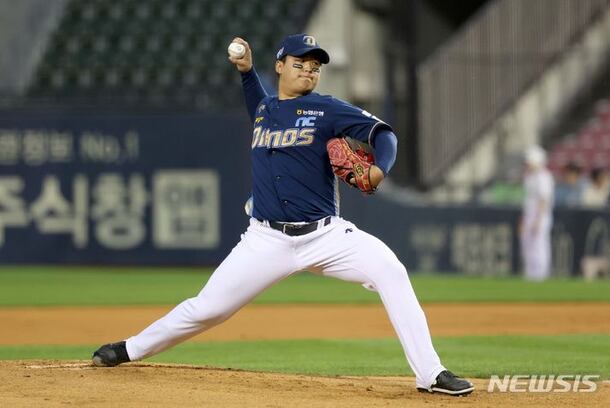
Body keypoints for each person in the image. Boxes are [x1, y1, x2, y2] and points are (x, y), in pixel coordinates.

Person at [92, 34, 474, 396]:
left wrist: (380, 169)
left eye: (314, 66)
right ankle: (130, 348)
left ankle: (431, 373)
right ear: (280, 66)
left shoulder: (327, 109)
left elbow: (383, 133)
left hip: (325, 236)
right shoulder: (264, 110)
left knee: (391, 270)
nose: (308, 70)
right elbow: (257, 100)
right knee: (208, 308)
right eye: (299, 63)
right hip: (266, 240)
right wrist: (245, 70)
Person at [520, 146, 554, 281]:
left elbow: (543, 200)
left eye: (529, 161)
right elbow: (527, 202)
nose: (527, 164)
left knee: (539, 245)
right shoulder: (529, 177)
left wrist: (537, 221)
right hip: (529, 216)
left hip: (540, 217)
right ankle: (530, 274)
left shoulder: (544, 177)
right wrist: (524, 220)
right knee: (527, 245)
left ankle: (541, 274)